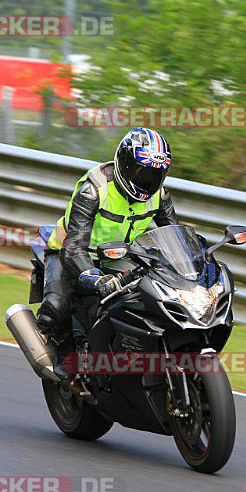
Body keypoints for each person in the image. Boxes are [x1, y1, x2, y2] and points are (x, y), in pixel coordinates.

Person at [36, 127, 178, 374]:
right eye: (141, 172)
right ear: (123, 163)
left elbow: (175, 237)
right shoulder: (93, 190)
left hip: (119, 256)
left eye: (155, 174)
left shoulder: (159, 195)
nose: (147, 180)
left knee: (150, 301)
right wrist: (95, 277)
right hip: (70, 254)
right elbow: (73, 246)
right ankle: (65, 364)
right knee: (56, 308)